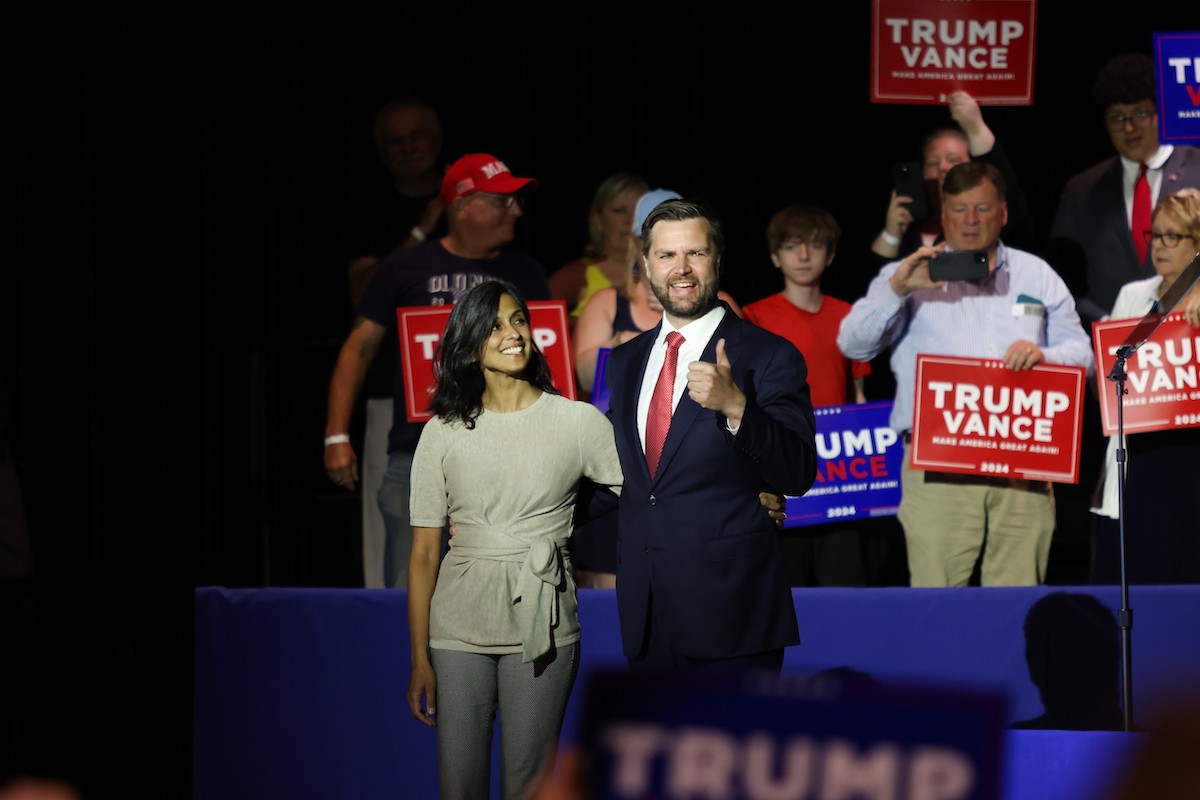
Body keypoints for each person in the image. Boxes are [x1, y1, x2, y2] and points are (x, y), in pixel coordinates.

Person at [406, 279, 623, 800]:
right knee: (460, 787)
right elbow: (423, 553)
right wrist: (418, 658)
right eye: (496, 324)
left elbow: (640, 495)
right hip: (458, 625)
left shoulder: (578, 422)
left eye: (519, 320)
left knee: (530, 786)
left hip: (544, 620)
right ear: (469, 343)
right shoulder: (442, 431)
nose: (513, 333)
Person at [838, 161, 1094, 588]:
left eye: (981, 208)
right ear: (944, 214)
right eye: (958, 209)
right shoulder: (909, 275)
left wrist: (1043, 355)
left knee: (1018, 604)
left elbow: (1084, 357)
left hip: (1023, 463)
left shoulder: (1037, 274)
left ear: (1004, 213)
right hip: (938, 464)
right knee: (939, 604)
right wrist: (898, 290)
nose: (970, 221)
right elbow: (853, 345)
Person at [605, 197, 817, 673]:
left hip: (733, 616)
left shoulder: (769, 355)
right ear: (646, 266)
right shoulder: (624, 362)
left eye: (696, 253)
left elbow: (798, 472)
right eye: (666, 256)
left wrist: (737, 406)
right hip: (646, 615)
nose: (682, 269)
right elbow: (619, 478)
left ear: (717, 260)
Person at [324, 153, 551, 589]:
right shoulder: (405, 268)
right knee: (409, 591)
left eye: (517, 202)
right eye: (503, 201)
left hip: (507, 454)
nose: (517, 211)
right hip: (417, 451)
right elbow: (358, 350)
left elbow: (547, 361)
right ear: (463, 205)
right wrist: (336, 434)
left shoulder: (526, 273)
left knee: (505, 589)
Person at [338, 97, 450, 589]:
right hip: (394, 391)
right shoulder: (369, 210)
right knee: (392, 514)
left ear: (438, 141)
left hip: (476, 395)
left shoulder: (475, 207)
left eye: (417, 137)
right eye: (395, 142)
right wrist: (425, 225)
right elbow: (363, 293)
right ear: (382, 153)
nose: (407, 148)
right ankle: (386, 633)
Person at [742, 203, 872, 587]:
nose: (803, 256)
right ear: (774, 256)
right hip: (780, 468)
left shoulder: (849, 315)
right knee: (787, 586)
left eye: (813, 246)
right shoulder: (752, 317)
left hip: (840, 476)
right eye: (792, 246)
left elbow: (859, 396)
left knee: (845, 583)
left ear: (830, 255)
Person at [1089, 188, 1200, 585]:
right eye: (1155, 235)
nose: (1160, 247)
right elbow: (1108, 377)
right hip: (1138, 455)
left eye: (1174, 236)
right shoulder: (1132, 297)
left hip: (1190, 459)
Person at [1048, 52, 1200, 328]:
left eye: (1140, 113)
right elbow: (1061, 279)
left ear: (1159, 112)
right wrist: (1109, 324)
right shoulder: (1081, 191)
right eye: (1117, 118)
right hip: (1111, 350)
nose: (1128, 127)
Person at [870, 91, 1036, 270]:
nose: (942, 167)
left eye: (953, 160)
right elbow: (875, 288)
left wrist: (975, 128)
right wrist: (891, 235)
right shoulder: (910, 230)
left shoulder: (981, 226)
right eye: (933, 162)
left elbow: (1015, 217)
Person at [548, 172, 649, 327]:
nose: (631, 219)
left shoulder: (668, 270)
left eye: (639, 210)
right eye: (620, 210)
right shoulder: (579, 275)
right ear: (599, 221)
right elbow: (535, 319)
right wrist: (581, 326)